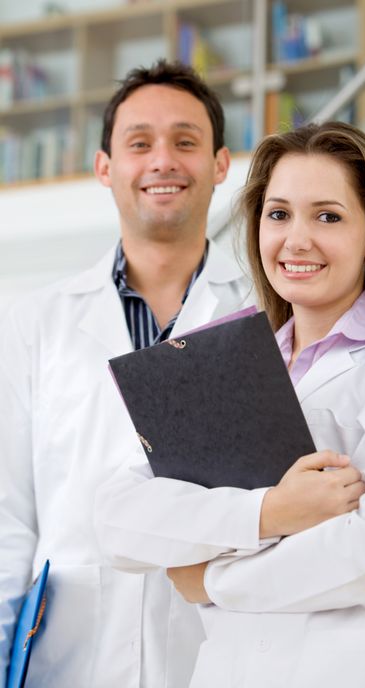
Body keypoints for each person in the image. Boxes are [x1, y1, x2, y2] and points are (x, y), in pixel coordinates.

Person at [95, 121, 365, 688]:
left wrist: (210, 579)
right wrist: (272, 514)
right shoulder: (227, 363)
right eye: (278, 214)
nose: (296, 240)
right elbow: (117, 521)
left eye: (328, 216)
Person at [0, 59, 259, 688]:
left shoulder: (264, 311)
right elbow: (8, 516)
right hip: (70, 655)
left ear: (221, 164)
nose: (163, 160)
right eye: (139, 143)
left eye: (186, 142)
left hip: (220, 652)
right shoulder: (34, 323)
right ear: (104, 167)